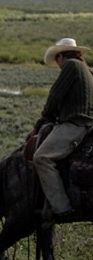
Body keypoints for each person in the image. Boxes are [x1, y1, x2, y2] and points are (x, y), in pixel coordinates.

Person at [33, 37, 93, 219]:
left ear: (60, 56)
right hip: (88, 124)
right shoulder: (87, 70)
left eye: (57, 60)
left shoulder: (71, 66)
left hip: (76, 124)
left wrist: (43, 119)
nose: (58, 64)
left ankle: (61, 208)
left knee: (41, 158)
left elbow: (55, 96)